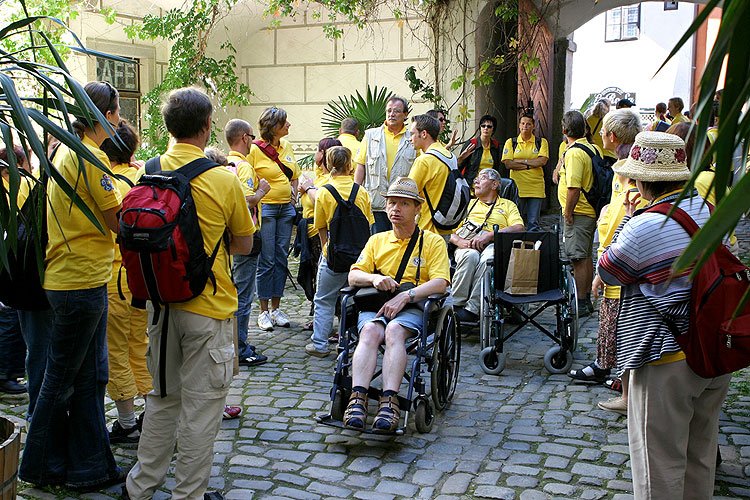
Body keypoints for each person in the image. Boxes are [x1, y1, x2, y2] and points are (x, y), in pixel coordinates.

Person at [125, 87, 254, 500]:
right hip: (208, 309)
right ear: (206, 126)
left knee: (161, 401)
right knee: (200, 410)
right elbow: (245, 244)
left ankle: (140, 488)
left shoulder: (147, 170)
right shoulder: (223, 178)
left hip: (160, 305)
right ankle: (188, 495)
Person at [598, 131, 731, 500]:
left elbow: (609, 268)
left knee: (659, 466)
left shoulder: (643, 225)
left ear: (641, 180)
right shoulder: (706, 208)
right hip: (713, 349)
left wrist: (627, 218)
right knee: (699, 456)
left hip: (665, 356)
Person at [19, 81, 125, 491]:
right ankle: (38, 466)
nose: (118, 121)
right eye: (115, 113)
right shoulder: (89, 156)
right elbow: (116, 220)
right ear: (101, 115)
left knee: (88, 378)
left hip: (79, 277)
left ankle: (89, 467)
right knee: (61, 379)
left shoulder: (64, 149)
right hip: (79, 279)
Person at [344, 177, 450, 433]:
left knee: (393, 332)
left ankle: (389, 401)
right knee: (369, 331)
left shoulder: (433, 242)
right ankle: (357, 397)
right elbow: (353, 276)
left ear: (417, 209)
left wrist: (407, 295)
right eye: (392, 203)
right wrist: (374, 278)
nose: (395, 209)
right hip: (377, 304)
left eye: (404, 204)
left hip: (413, 307)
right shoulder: (376, 240)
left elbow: (441, 282)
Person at [568, 109, 644, 416]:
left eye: (602, 132)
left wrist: (606, 264)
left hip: (619, 256)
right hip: (612, 251)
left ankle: (625, 388)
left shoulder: (629, 170)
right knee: (611, 320)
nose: (599, 136)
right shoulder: (619, 167)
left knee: (618, 323)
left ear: (612, 136)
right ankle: (612, 373)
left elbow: (626, 218)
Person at [98, 120, 152, 443]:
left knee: (116, 351)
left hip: (114, 275)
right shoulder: (143, 178)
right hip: (141, 277)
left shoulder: (106, 181)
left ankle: (128, 422)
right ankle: (152, 414)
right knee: (140, 347)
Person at [306, 146, 374, 357]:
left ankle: (319, 345)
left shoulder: (324, 192)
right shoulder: (360, 191)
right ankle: (348, 343)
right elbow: (369, 225)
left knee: (324, 299)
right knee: (353, 300)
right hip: (358, 257)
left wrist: (327, 249)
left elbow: (321, 227)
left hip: (333, 255)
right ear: (349, 165)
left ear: (327, 165)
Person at [248, 106, 301, 331]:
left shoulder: (286, 146)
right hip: (267, 209)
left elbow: (295, 174)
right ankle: (263, 312)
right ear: (274, 127)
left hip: (285, 210)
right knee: (266, 260)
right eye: (285, 122)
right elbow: (248, 179)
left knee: (281, 257)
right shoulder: (254, 150)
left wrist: (293, 197)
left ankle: (276, 308)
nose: (289, 125)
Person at [224, 119, 271, 365]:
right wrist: (262, 191)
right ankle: (239, 347)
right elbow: (245, 200)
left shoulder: (224, 163)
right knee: (243, 293)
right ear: (244, 138)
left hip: (229, 237)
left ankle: (236, 341)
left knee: (236, 290)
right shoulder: (242, 167)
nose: (253, 142)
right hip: (246, 236)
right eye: (252, 137)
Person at [450, 169, 524, 323]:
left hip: (494, 242)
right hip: (467, 243)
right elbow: (448, 230)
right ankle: (456, 305)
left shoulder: (508, 205)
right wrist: (459, 242)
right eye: (476, 178)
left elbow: (519, 227)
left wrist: (490, 235)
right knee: (470, 256)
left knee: (488, 259)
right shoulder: (468, 204)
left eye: (482, 178)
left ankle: (473, 308)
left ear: (494, 184)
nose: (476, 181)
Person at [354, 96, 418, 234]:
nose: (392, 114)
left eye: (396, 111)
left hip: (402, 204)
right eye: (389, 111)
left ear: (405, 115)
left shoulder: (412, 139)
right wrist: (356, 192)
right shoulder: (371, 135)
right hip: (376, 203)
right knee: (378, 245)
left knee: (401, 244)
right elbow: (361, 165)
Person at [297, 138, 342, 330]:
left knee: (328, 280)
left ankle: (338, 322)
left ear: (324, 154)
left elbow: (321, 199)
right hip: (309, 233)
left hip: (321, 235)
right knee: (314, 276)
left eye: (318, 150)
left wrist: (308, 188)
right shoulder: (317, 176)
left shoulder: (328, 181)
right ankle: (319, 319)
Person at [558, 110, 597, 316]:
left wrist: (568, 212)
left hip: (579, 211)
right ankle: (586, 298)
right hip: (589, 211)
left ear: (564, 130)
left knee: (578, 258)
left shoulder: (574, 153)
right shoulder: (592, 148)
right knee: (586, 256)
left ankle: (581, 302)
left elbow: (574, 187)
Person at [0, 145, 31, 395]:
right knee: (10, 317)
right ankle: (6, 373)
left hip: (8, 257)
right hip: (11, 259)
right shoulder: (17, 187)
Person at [407, 114, 456, 237]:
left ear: (424, 134)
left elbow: (407, 194)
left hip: (427, 228)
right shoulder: (450, 156)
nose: (410, 138)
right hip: (445, 225)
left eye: (412, 134)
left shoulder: (424, 161)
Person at [501, 113, 549, 231]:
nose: (525, 126)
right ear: (519, 125)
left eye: (528, 124)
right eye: (522, 123)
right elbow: (508, 164)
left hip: (535, 187)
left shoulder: (541, 142)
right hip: (517, 187)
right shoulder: (511, 142)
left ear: (533, 126)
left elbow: (542, 161)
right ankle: (517, 247)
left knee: (534, 222)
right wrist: (531, 163)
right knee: (517, 222)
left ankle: (531, 248)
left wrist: (521, 161)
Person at [457, 114, 501, 186]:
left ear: (493, 130)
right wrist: (461, 157)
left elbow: (496, 168)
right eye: (483, 126)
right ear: (480, 128)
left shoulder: (495, 146)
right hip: (472, 186)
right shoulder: (472, 144)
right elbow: (458, 167)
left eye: (489, 127)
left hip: (488, 187)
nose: (486, 128)